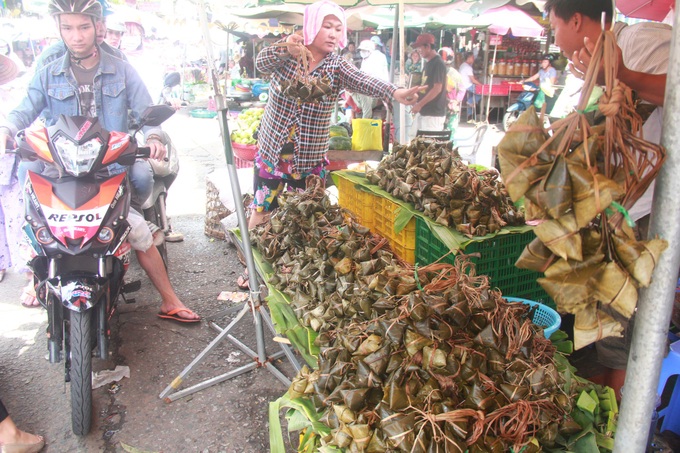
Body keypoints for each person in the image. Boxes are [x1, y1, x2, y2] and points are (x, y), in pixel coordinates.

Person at [0, 0, 200, 323]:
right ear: (59, 29)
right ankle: (36, 279)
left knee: (136, 230)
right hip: (61, 173)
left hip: (107, 171)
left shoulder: (121, 69)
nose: (76, 36)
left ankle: (169, 299)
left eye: (83, 27)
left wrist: (153, 137)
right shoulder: (48, 73)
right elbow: (24, 109)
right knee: (38, 233)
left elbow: (145, 111)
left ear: (97, 27)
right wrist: (7, 129)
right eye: (68, 27)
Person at [235, 0, 422, 290]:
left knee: (304, 218)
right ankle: (252, 271)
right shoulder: (287, 54)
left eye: (338, 28)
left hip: (308, 159)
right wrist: (286, 46)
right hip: (272, 152)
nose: (334, 34)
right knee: (262, 209)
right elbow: (261, 63)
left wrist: (394, 92)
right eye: (327, 26)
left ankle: (295, 275)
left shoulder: (336, 67)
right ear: (311, 26)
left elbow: (364, 81)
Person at [545, 0, 670, 396]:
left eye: (553, 27)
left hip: (646, 215)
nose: (554, 39)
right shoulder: (589, 63)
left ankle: (621, 427)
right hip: (613, 212)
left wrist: (624, 74)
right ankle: (606, 415)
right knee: (603, 331)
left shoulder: (643, 41)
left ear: (577, 19)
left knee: (625, 334)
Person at [408, 33, 448, 140]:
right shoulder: (428, 63)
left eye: (420, 48)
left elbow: (437, 88)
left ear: (428, 46)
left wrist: (419, 104)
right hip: (424, 112)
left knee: (429, 147)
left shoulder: (438, 63)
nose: (418, 51)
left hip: (433, 114)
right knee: (415, 141)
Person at [352, 39, 389, 119]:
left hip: (376, 89)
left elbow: (375, 76)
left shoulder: (377, 57)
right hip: (366, 88)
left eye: (364, 50)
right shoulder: (365, 60)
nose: (362, 52)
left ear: (370, 51)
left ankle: (365, 120)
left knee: (364, 97)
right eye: (361, 50)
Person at [459, 51, 482, 120]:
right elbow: (473, 80)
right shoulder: (468, 67)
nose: (473, 59)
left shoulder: (462, 65)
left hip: (462, 85)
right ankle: (470, 102)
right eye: (472, 57)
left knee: (472, 97)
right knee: (481, 92)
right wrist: (481, 85)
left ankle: (469, 116)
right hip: (467, 86)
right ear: (468, 58)